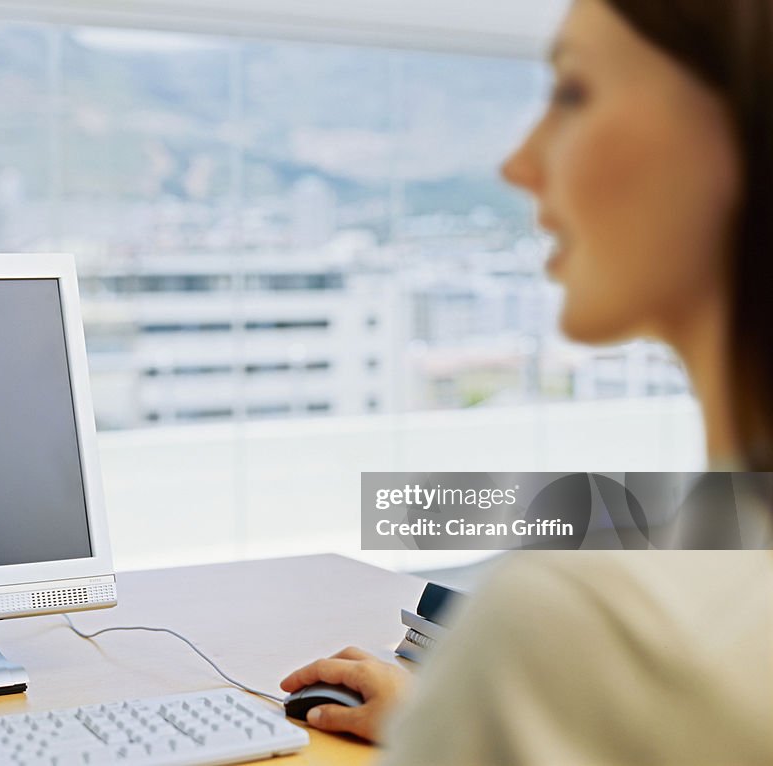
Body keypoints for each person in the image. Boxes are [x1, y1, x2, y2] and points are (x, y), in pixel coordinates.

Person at [281, 0, 773, 762]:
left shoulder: (583, 621)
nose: (520, 164)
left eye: (575, 95)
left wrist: (493, 708)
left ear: (731, 143)